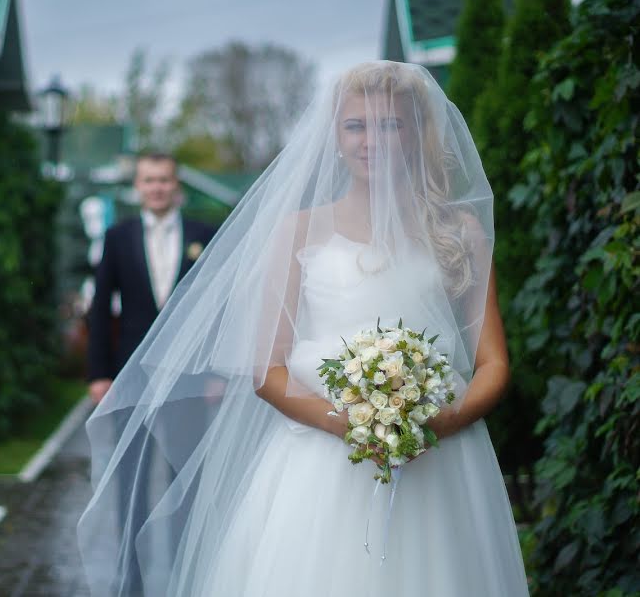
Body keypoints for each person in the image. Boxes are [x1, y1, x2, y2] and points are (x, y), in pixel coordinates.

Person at [78, 61, 530, 597]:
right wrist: (354, 427)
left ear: (415, 133)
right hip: (322, 454)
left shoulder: (460, 230)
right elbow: (267, 369)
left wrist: (441, 422)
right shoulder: (297, 230)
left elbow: (493, 361)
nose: (373, 141)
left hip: (441, 454)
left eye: (391, 125)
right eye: (356, 125)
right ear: (335, 137)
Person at [84, 151, 217, 596]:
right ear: (137, 187)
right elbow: (100, 309)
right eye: (148, 180)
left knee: (186, 480)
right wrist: (100, 373)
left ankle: (186, 577)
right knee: (132, 484)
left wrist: (218, 373)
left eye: (164, 180)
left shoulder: (205, 235)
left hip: (191, 381)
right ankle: (132, 582)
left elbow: (220, 309)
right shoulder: (117, 237)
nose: (157, 187)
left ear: (176, 185)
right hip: (132, 377)